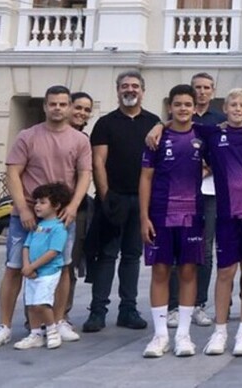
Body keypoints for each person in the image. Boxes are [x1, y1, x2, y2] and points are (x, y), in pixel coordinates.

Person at [0, 85, 92, 350]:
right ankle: (5, 326)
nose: (57, 108)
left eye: (62, 104)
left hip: (62, 218)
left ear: (69, 107)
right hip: (27, 216)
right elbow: (13, 173)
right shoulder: (27, 136)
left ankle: (56, 322)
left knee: (63, 267)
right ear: (44, 106)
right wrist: (23, 208)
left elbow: (84, 175)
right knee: (14, 268)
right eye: (52, 103)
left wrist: (74, 206)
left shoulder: (79, 141)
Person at [194, 88, 242, 356]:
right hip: (226, 213)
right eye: (233, 104)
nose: (238, 108)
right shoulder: (213, 133)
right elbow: (177, 127)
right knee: (225, 272)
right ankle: (220, 330)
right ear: (224, 108)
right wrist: (157, 129)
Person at [84, 71, 160, 333]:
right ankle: (97, 311)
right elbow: (98, 161)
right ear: (117, 90)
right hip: (113, 199)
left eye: (135, 86)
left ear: (142, 91)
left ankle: (128, 309)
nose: (130, 90)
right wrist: (106, 197)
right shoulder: (105, 123)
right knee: (105, 256)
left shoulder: (153, 122)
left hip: (141, 200)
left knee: (132, 256)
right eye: (125, 86)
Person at [138, 84, 205, 358]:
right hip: (160, 215)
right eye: (178, 104)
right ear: (170, 107)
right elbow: (145, 178)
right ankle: (160, 335)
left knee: (188, 272)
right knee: (161, 271)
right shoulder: (156, 138)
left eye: (188, 104)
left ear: (194, 107)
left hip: (192, 214)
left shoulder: (203, 135)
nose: (183, 109)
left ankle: (184, 336)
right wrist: (144, 217)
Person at [167, 73, 223, 330]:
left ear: (213, 92)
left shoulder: (219, 122)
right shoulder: (176, 120)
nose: (201, 92)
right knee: (178, 249)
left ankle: (199, 304)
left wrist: (205, 167)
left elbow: (221, 155)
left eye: (206, 88)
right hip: (180, 193)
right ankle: (174, 306)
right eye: (197, 88)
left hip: (210, 193)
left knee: (205, 248)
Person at [14, 183, 74, 350]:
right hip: (32, 273)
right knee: (32, 305)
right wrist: (27, 266)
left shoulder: (58, 228)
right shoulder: (37, 226)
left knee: (42, 303)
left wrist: (33, 266)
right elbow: (26, 246)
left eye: (42, 202)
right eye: (36, 202)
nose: (37, 206)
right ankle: (35, 334)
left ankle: (52, 330)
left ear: (56, 205)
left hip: (47, 272)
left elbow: (53, 252)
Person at [65, 91, 94, 326]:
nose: (81, 113)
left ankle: (62, 314)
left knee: (70, 264)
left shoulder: (84, 139)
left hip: (79, 208)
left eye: (86, 110)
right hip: (49, 209)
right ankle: (35, 319)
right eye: (78, 107)